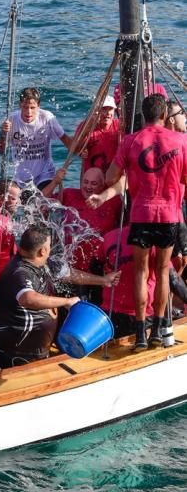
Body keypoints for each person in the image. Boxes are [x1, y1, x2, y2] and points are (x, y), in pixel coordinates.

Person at [106, 94, 187, 350]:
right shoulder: (180, 140)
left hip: (141, 214)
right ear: (164, 115)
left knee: (141, 271)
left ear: (143, 116)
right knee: (162, 271)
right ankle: (159, 329)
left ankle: (140, 334)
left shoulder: (131, 141)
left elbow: (110, 177)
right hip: (169, 215)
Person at [0, 224, 120, 368]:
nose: (50, 249)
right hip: (18, 352)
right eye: (49, 245)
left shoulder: (42, 262)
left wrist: (103, 280)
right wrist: (67, 301)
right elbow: (28, 298)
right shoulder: (19, 272)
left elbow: (69, 274)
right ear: (42, 251)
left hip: (36, 348)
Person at [0, 86, 72, 190]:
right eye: (25, 107)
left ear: (38, 106)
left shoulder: (47, 118)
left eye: (32, 108)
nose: (28, 112)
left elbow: (65, 139)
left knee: (42, 202)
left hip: (45, 174)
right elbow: (1, 150)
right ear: (20, 105)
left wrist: (80, 151)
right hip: (21, 178)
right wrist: (3, 134)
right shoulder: (11, 120)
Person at [75, 95, 120, 175]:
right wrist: (82, 150)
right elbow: (75, 149)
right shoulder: (86, 126)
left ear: (114, 111)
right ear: (96, 110)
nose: (108, 113)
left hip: (112, 175)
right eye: (104, 109)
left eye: (110, 109)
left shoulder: (119, 126)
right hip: (92, 176)